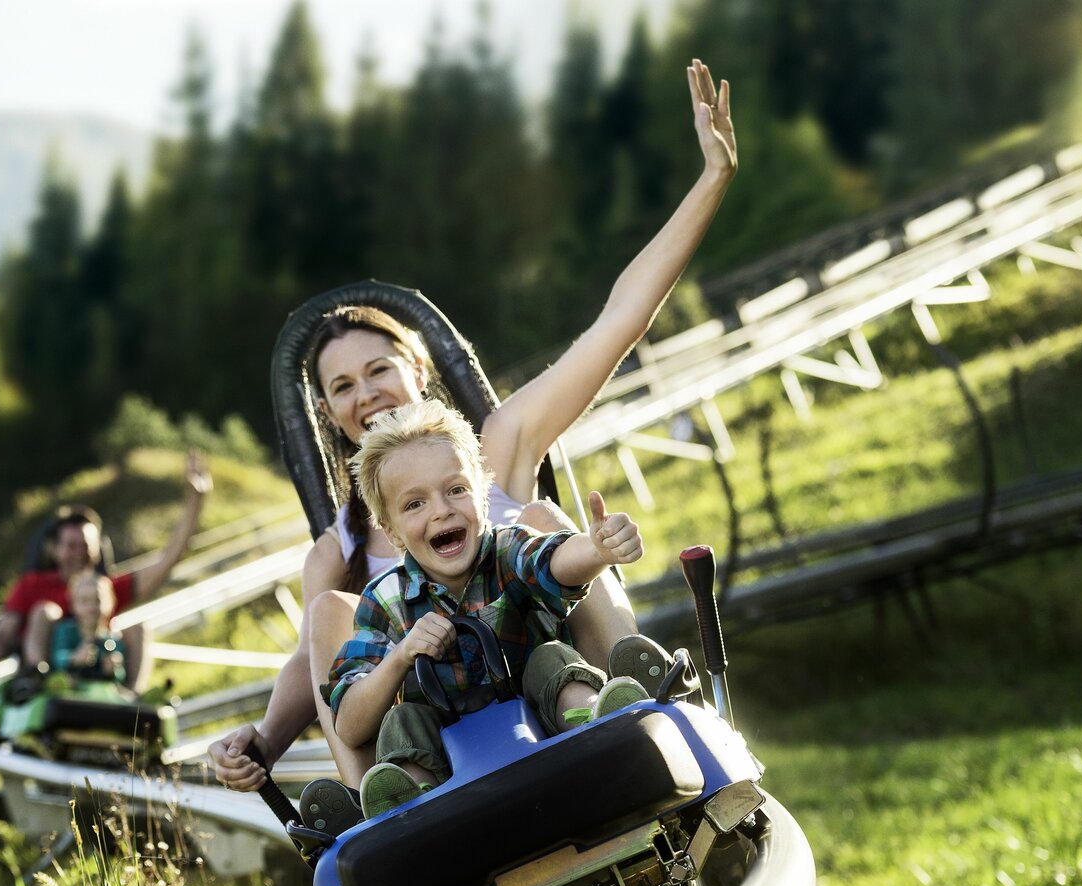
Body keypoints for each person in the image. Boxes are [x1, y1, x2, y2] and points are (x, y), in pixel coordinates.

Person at [211, 59, 735, 792]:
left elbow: (619, 321)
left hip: (546, 669)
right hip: (434, 722)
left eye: (379, 370)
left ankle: (634, 706)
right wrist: (263, 739)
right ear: (328, 415)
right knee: (331, 609)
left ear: (418, 371)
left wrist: (710, 180)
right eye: (342, 387)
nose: (367, 394)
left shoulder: (492, 449)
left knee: (544, 517)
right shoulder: (343, 549)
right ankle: (382, 804)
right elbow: (316, 660)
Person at [327, 399, 651, 817]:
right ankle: (410, 799)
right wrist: (400, 656)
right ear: (391, 531)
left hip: (543, 725)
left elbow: (550, 561)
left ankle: (593, 719)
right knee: (401, 720)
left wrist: (596, 548)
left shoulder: (505, 548)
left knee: (552, 657)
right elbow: (350, 724)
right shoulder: (384, 600)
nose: (441, 510)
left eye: (456, 490)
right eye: (414, 504)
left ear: (482, 495)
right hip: (449, 767)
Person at [0, 449, 212, 688]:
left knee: (137, 628)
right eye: (70, 546)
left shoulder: (105, 589)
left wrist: (196, 500)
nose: (78, 553)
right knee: (46, 612)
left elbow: (169, 559)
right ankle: (41, 679)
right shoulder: (31, 585)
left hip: (98, 679)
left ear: (97, 550)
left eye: (85, 546)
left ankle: (131, 700)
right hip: (52, 681)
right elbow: (6, 630)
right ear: (54, 550)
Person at [44, 569, 127, 683]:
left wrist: (114, 669)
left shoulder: (112, 640)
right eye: (84, 601)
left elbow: (120, 676)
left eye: (97, 600)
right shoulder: (65, 631)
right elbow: (56, 659)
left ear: (110, 603)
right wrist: (74, 658)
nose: (91, 607)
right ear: (73, 605)